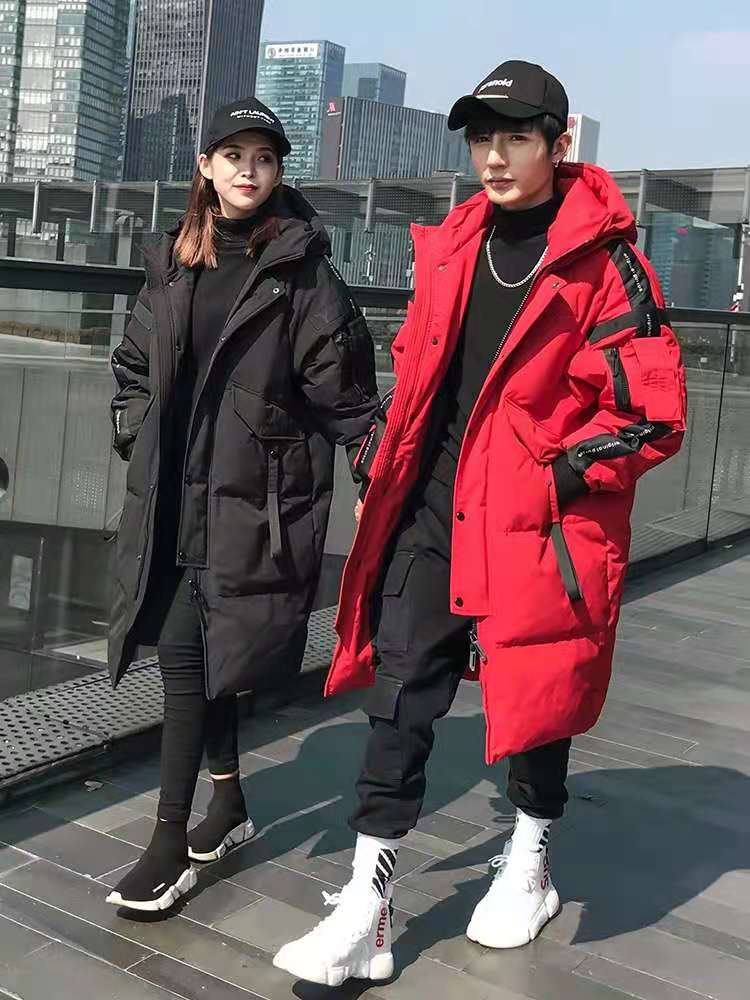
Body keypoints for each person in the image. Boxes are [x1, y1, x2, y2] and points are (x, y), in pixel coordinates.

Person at [274, 60, 687, 986]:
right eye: (481, 138)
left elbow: (649, 413)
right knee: (401, 692)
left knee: (536, 691)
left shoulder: (604, 262)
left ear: (558, 143)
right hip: (432, 502)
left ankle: (530, 857)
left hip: (538, 519)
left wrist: (558, 475)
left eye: (515, 138)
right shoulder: (455, 242)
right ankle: (368, 903)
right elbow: (423, 365)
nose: (493, 157)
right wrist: (385, 452)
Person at [105, 98, 380, 912]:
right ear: (206, 167)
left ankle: (169, 845)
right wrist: (136, 433)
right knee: (203, 650)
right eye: (233, 155)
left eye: (263, 158)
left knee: (189, 655)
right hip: (170, 494)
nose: (248, 170)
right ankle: (225, 802)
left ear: (278, 170)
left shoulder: (303, 273)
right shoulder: (173, 261)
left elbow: (345, 392)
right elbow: (131, 365)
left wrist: (376, 477)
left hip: (249, 500)